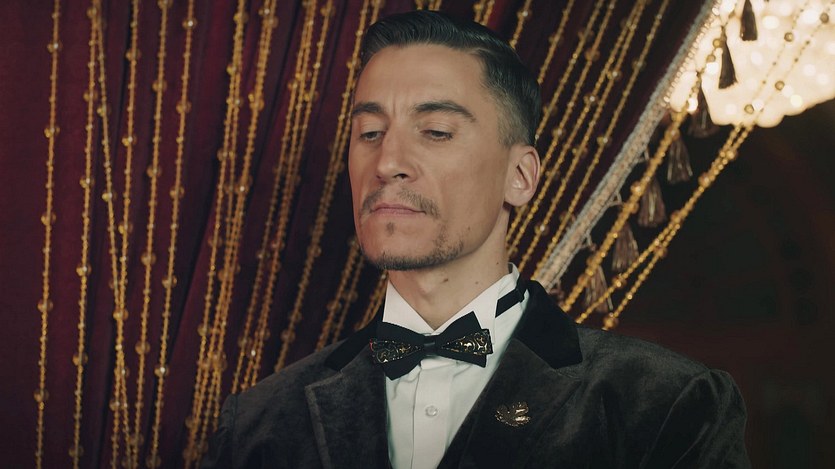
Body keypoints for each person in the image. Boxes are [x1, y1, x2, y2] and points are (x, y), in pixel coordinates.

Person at [202, 10, 750, 468]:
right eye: (369, 133)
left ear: (521, 176)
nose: (387, 162)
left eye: (436, 132)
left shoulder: (667, 406)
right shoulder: (258, 425)